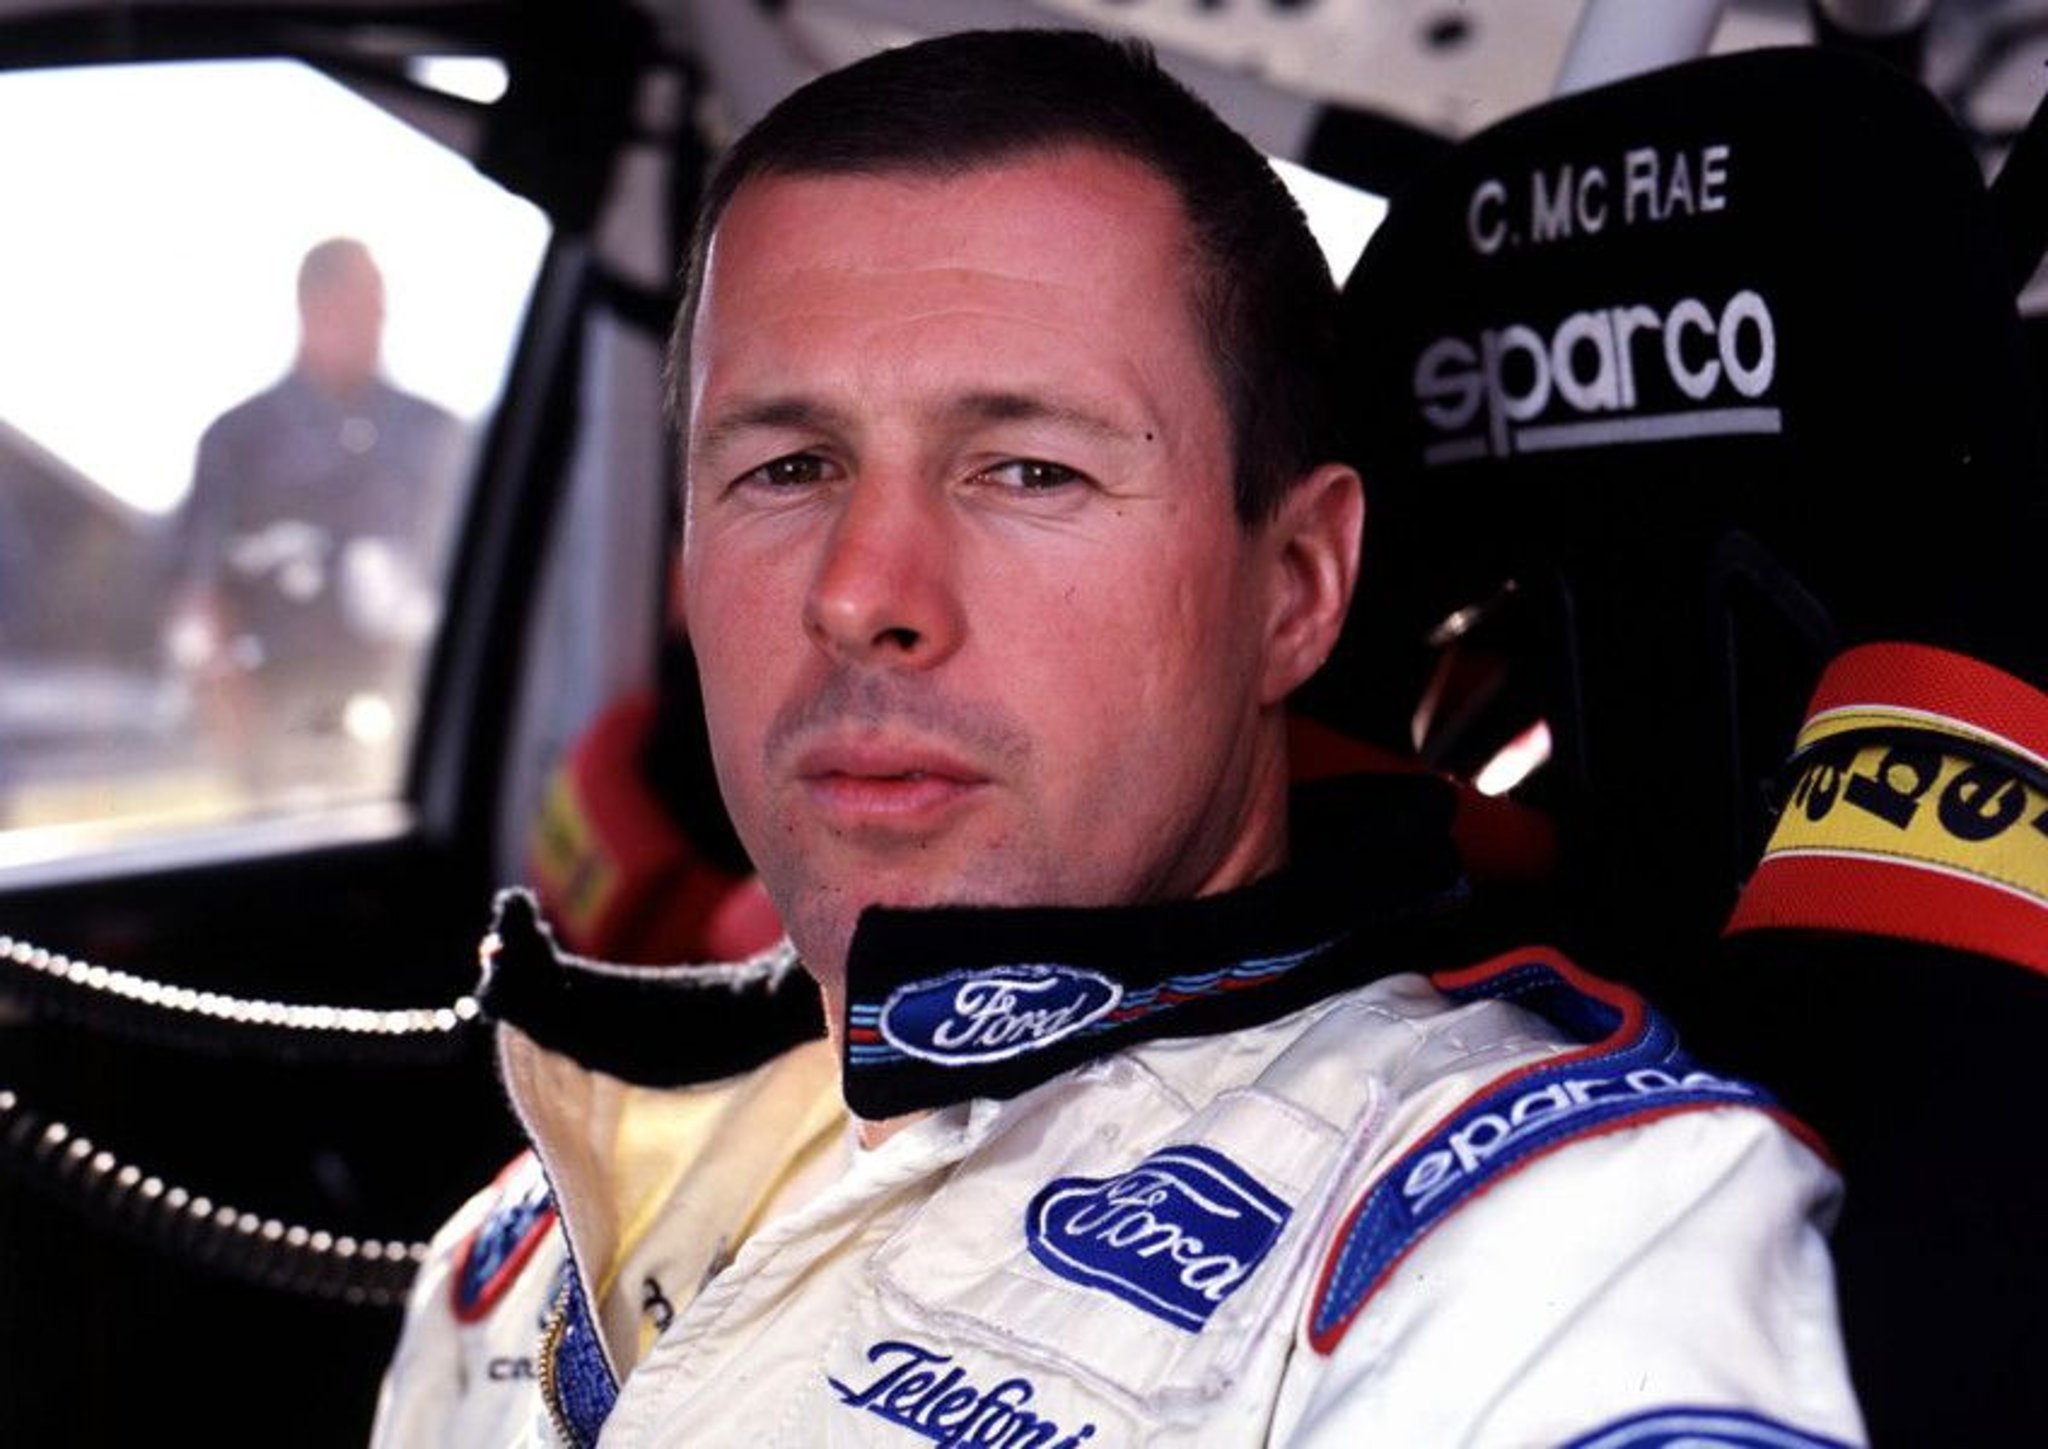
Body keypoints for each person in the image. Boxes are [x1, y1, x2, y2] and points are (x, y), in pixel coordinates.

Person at [373, 29, 1865, 1447]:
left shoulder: (1548, 1234)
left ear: (1296, 587)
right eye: (788, 467)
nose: (859, 594)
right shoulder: (531, 1233)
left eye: (1028, 469)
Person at [165, 237, 467, 795]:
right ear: (310, 308)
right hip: (280, 723)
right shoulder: (239, 440)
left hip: (411, 723)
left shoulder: (434, 435)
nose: (370, 325)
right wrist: (223, 690)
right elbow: (204, 592)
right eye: (351, 307)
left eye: (377, 308)